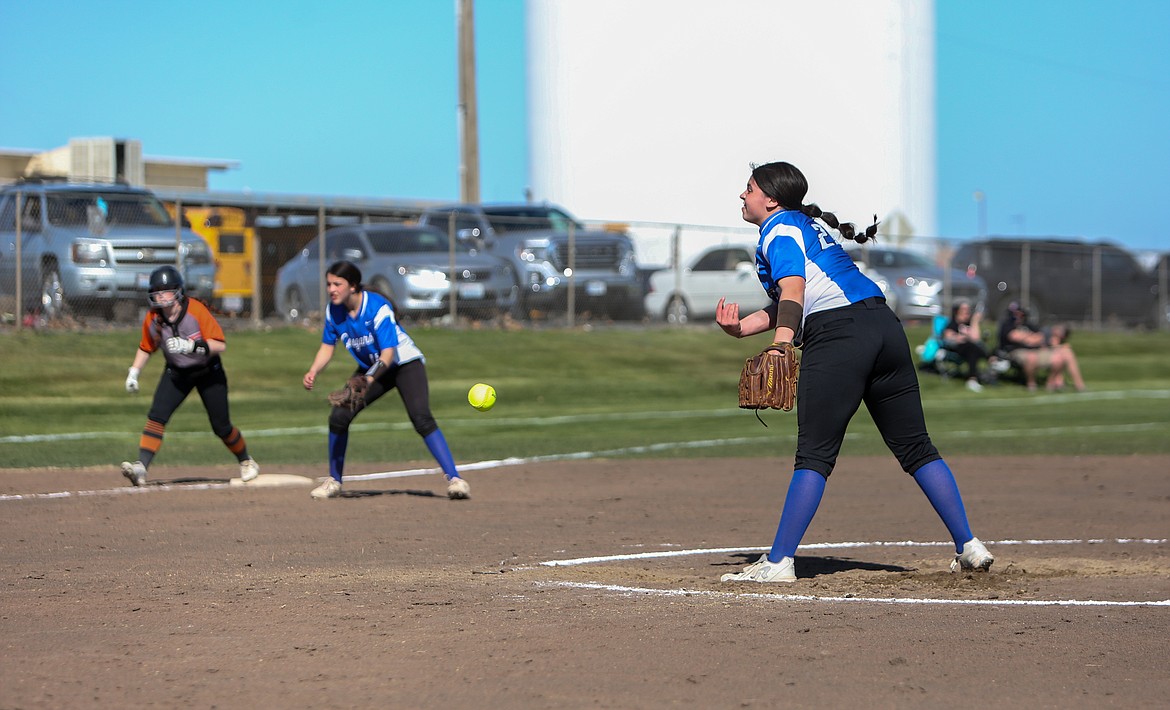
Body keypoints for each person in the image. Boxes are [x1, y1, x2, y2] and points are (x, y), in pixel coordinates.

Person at [715, 161, 993, 583]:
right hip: (884, 327)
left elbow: (794, 292)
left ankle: (779, 563)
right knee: (916, 447)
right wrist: (743, 328)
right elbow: (800, 295)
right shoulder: (804, 226)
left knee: (813, 455)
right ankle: (969, 546)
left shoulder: (778, 230)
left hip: (841, 337)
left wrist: (781, 344)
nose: (742, 194)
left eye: (749, 187)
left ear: (770, 199)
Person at [301, 260, 470, 500]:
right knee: (339, 417)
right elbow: (327, 347)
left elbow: (388, 354)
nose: (331, 289)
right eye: (329, 284)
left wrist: (368, 380)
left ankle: (455, 479)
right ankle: (334, 481)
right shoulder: (333, 311)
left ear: (353, 286)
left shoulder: (376, 308)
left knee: (421, 417)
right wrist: (313, 371)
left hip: (404, 364)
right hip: (371, 367)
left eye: (337, 284)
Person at [121, 265, 259, 486]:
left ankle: (246, 461)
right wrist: (133, 373)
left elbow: (219, 344)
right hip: (177, 373)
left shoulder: (195, 310)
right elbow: (146, 347)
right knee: (157, 416)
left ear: (178, 291)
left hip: (208, 371)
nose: (160, 296)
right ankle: (141, 468)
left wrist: (192, 346)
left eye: (165, 290)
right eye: (156, 291)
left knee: (221, 426)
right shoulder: (154, 318)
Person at [997, 302, 1085, 392]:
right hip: (1016, 352)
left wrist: (1028, 337)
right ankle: (1031, 384)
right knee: (1032, 357)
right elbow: (1015, 336)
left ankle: (1064, 384)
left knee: (1064, 354)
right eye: (1016, 313)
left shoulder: (1028, 325)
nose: (1018, 316)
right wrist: (1030, 337)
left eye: (1020, 313)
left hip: (1037, 351)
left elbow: (1040, 337)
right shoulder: (1007, 325)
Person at [941, 301, 990, 392]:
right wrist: (958, 337)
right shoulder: (953, 323)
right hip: (957, 349)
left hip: (971, 349)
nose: (967, 311)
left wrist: (974, 321)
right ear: (957, 311)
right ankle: (974, 378)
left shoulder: (969, 323)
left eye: (968, 309)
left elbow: (976, 338)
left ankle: (991, 361)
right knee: (972, 348)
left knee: (974, 347)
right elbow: (948, 337)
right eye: (964, 309)